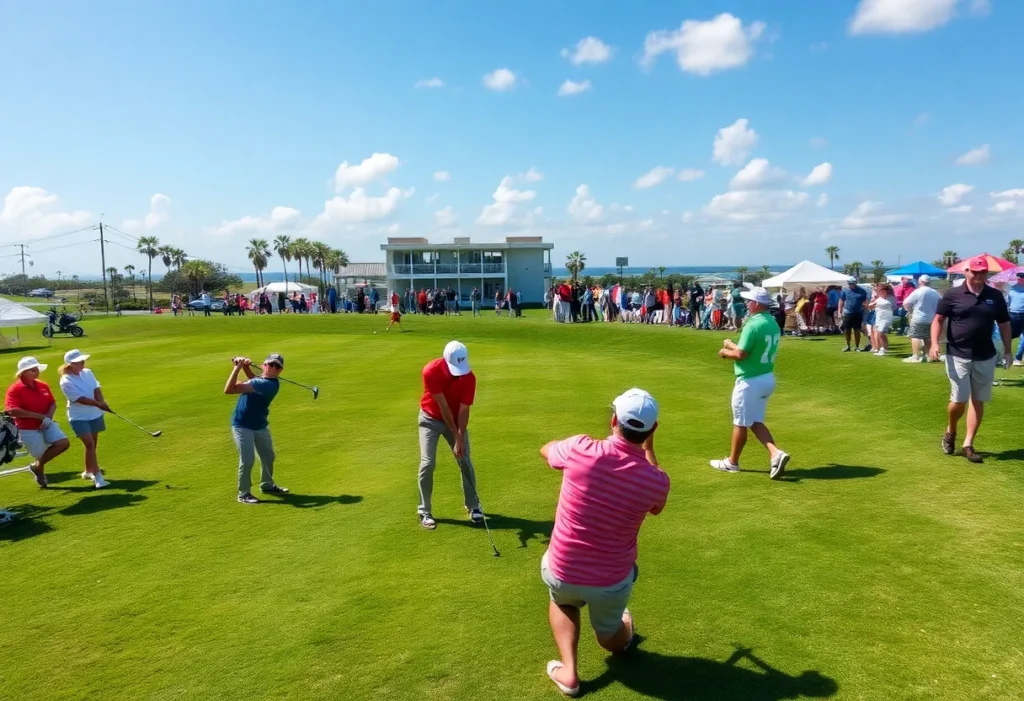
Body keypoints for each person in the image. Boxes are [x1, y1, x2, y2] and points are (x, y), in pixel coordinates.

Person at [538, 388, 670, 696]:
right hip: (611, 581)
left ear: (613, 420)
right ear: (652, 430)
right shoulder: (656, 481)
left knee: (563, 600)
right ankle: (619, 633)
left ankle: (569, 672)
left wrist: (571, 452)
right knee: (614, 640)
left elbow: (546, 450)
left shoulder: (581, 448)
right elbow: (657, 506)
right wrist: (649, 448)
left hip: (562, 569)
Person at [930, 256, 1012, 464]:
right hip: (957, 353)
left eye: (982, 272)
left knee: (978, 399)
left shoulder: (995, 296)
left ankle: (968, 444)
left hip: (985, 354)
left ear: (987, 273)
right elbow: (938, 319)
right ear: (966, 272)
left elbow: (1004, 324)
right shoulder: (952, 294)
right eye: (974, 272)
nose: (978, 275)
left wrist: (1008, 350)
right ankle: (951, 430)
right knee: (959, 399)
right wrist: (933, 343)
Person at [710, 288, 791, 479]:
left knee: (740, 423)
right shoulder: (771, 322)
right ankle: (775, 454)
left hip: (750, 381)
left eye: (749, 301)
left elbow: (741, 354)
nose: (747, 304)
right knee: (754, 420)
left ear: (756, 304)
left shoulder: (752, 325)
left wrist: (724, 352)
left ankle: (732, 462)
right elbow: (750, 349)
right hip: (767, 378)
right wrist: (730, 343)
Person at [416, 341, 483, 530]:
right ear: (445, 360)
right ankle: (424, 510)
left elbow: (464, 410)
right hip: (430, 419)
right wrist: (456, 433)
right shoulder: (431, 371)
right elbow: (443, 407)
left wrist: (460, 437)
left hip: (456, 420)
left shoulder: (469, 378)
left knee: (465, 461)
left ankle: (473, 506)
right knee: (427, 462)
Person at [224, 354, 289, 504]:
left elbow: (230, 389)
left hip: (260, 426)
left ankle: (267, 485)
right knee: (247, 460)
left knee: (268, 456)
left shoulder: (269, 385)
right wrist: (245, 367)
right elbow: (252, 379)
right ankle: (244, 494)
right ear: (263, 365)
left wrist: (238, 367)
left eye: (277, 366)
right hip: (242, 425)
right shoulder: (264, 381)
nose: (273, 367)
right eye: (270, 364)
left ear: (280, 370)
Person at [4, 357, 70, 488]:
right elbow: (12, 410)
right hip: (26, 427)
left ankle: (37, 466)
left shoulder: (42, 385)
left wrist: (48, 418)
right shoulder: (15, 389)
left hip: (46, 422)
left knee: (63, 443)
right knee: (40, 454)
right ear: (23, 372)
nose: (37, 372)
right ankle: (39, 469)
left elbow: (52, 403)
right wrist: (39, 417)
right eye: (32, 370)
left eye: (37, 369)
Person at [58, 349, 111, 488]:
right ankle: (98, 476)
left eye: (82, 361)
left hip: (94, 414)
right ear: (69, 365)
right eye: (78, 362)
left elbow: (96, 389)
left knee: (93, 444)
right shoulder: (65, 380)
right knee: (89, 444)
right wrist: (98, 404)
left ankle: (88, 471)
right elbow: (79, 399)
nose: (82, 363)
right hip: (78, 416)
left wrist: (102, 402)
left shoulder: (87, 372)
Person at [902, 274, 941, 363]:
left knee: (915, 336)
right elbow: (941, 303)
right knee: (928, 337)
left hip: (918, 317)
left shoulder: (918, 291)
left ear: (920, 281)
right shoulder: (935, 293)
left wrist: (909, 310)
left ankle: (915, 356)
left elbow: (906, 302)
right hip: (931, 318)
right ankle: (928, 355)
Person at [838, 277, 870, 352]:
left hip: (858, 312)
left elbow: (864, 301)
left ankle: (857, 346)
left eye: (852, 283)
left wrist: (867, 308)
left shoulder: (861, 291)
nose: (851, 285)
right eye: (849, 283)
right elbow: (841, 300)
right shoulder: (845, 290)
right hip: (847, 312)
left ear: (855, 283)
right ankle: (848, 346)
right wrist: (840, 311)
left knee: (857, 330)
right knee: (847, 330)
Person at [868, 283, 895, 356]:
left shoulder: (891, 298)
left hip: (886, 318)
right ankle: (885, 348)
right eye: (879, 290)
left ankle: (883, 349)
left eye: (881, 290)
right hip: (879, 317)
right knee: (881, 334)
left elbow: (893, 306)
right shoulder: (879, 299)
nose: (879, 291)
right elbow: (871, 306)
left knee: (880, 333)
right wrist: (870, 305)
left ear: (886, 290)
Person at [1008, 271, 1024, 366]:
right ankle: (1006, 354)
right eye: (1018, 278)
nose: (1019, 279)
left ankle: (1018, 357)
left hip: (1018, 313)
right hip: (1014, 314)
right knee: (1009, 336)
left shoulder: (1012, 288)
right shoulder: (1012, 288)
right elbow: (1009, 302)